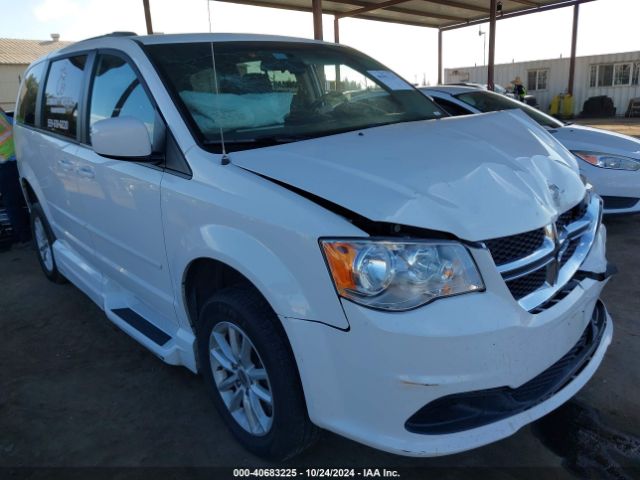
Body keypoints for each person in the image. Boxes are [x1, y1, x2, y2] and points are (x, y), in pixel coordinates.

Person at [0, 107, 31, 245]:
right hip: (12, 161)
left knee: (14, 201)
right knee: (17, 200)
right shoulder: (1, 115)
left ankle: (25, 235)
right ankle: (27, 233)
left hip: (9, 163)